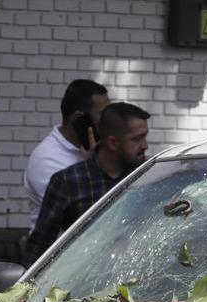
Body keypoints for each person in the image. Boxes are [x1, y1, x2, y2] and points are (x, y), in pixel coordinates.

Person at [25, 103, 150, 264]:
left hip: (139, 276)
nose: (145, 145)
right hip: (82, 281)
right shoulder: (69, 182)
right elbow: (40, 247)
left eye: (145, 136)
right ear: (113, 143)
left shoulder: (147, 176)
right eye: (137, 139)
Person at [23, 79, 108, 231]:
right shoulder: (47, 159)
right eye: (103, 116)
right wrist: (94, 166)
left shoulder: (94, 149)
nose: (109, 122)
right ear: (79, 119)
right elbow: (83, 217)